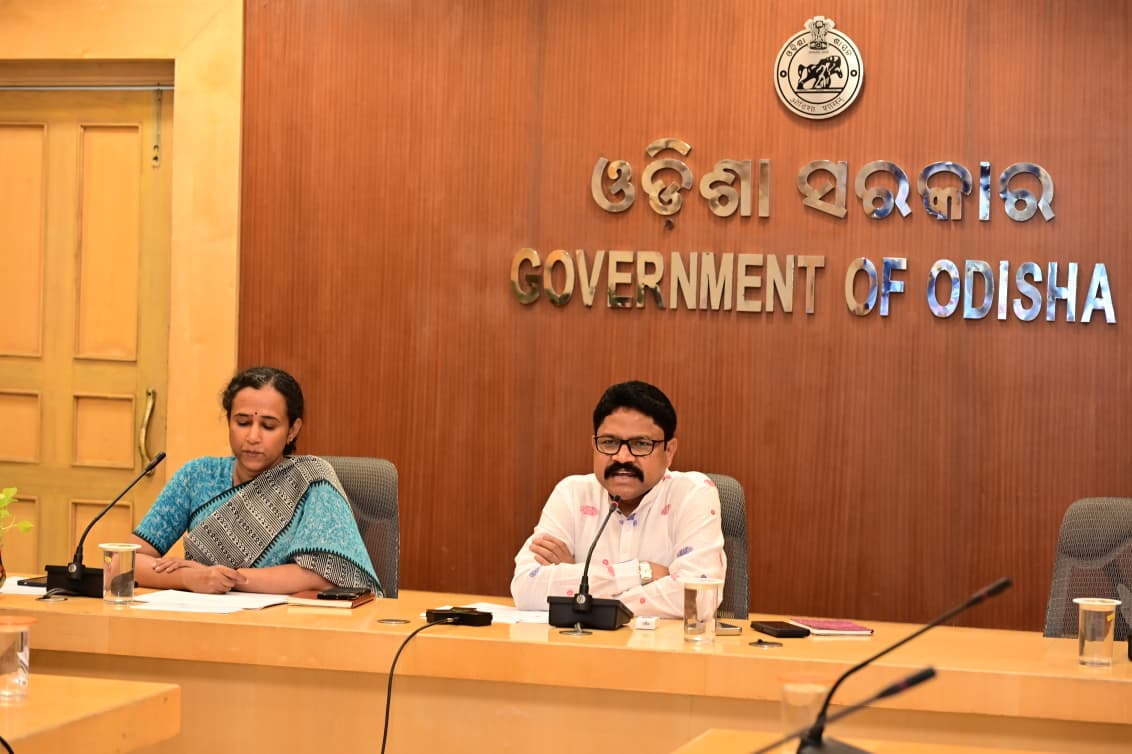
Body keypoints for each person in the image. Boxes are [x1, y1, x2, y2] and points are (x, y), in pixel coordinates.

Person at [129, 366, 381, 595]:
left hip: (280, 623)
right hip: (202, 620)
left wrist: (229, 578)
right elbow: (124, 561)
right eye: (242, 422)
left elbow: (329, 573)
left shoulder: (311, 480)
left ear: (292, 430)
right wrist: (188, 578)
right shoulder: (197, 476)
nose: (252, 436)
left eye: (268, 426)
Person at [511, 380, 725, 618]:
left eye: (641, 444)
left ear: (669, 451)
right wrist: (641, 573)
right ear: (594, 446)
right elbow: (525, 588)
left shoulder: (692, 493)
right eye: (609, 442)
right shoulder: (572, 493)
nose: (622, 457)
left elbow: (697, 599)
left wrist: (579, 587)